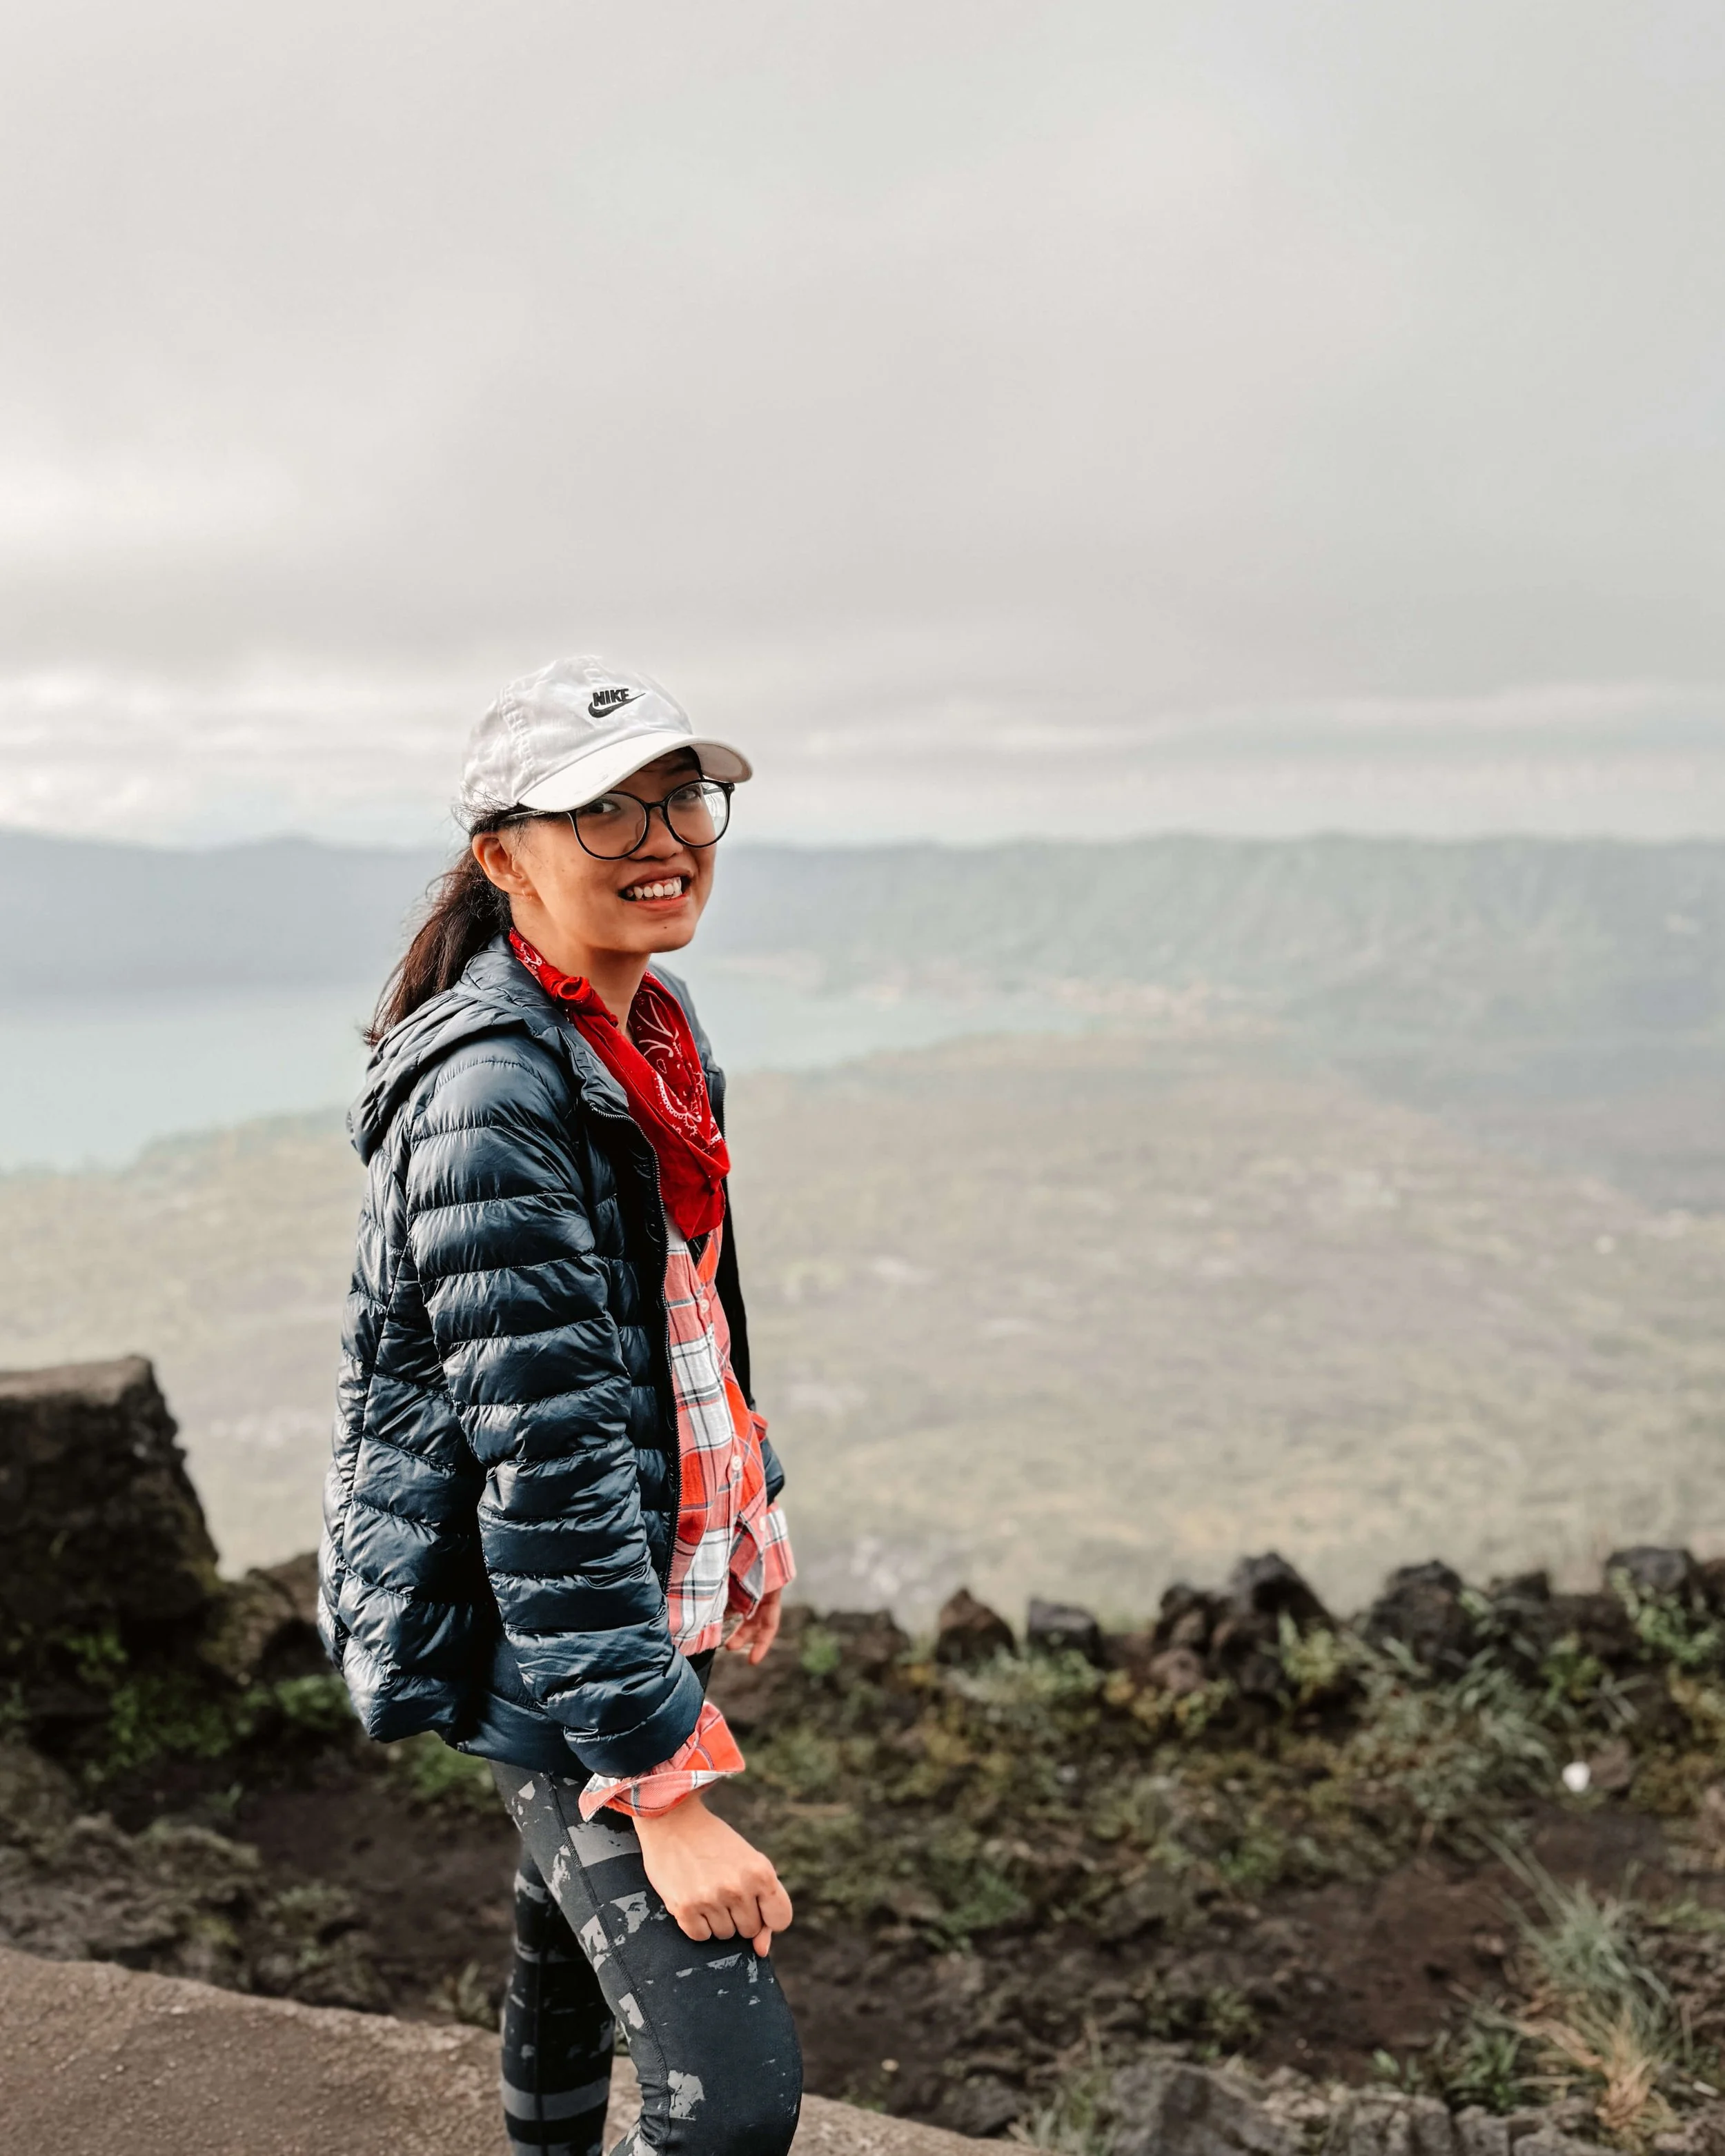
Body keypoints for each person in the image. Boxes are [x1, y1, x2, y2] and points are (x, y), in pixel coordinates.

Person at [317, 656, 802, 2156]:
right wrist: (660, 1780)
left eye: (678, 797)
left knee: (561, 1942)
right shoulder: (495, 1092)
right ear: (501, 855)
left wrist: (750, 1502)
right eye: (601, 811)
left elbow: (685, 1309)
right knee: (729, 2099)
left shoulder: (647, 1031)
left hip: (612, 1602)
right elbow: (543, 1451)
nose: (660, 835)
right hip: (537, 1619)